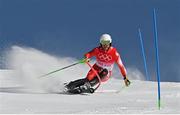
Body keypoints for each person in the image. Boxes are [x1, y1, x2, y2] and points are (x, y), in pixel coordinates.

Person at [64, 34, 131, 94]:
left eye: (107, 42)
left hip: (106, 73)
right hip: (96, 68)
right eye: (103, 42)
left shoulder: (115, 53)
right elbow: (88, 54)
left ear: (110, 43)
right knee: (88, 79)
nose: (105, 45)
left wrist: (125, 78)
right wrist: (86, 58)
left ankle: (88, 85)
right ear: (100, 43)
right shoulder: (97, 50)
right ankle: (70, 85)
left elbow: (121, 66)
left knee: (105, 72)